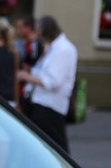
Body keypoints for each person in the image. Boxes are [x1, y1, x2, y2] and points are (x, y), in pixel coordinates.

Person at [17, 15, 77, 153]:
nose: (36, 33)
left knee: (56, 148)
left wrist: (27, 77)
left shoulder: (62, 49)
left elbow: (54, 82)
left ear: (46, 30)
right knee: (44, 146)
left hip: (50, 106)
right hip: (43, 103)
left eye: (39, 29)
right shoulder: (54, 48)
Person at [15, 15, 41, 116]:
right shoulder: (21, 43)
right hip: (21, 88)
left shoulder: (36, 44)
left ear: (29, 28)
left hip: (31, 89)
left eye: (20, 27)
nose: (18, 30)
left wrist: (28, 69)